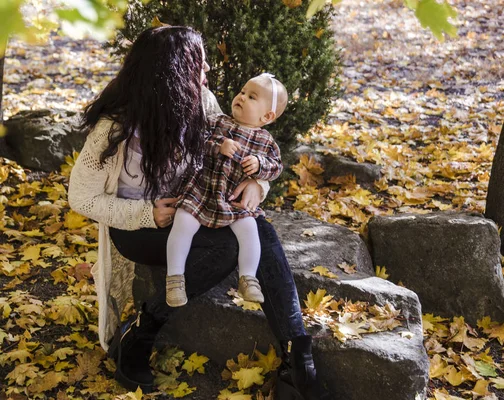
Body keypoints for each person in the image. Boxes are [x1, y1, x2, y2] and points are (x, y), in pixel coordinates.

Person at [68, 26, 328, 399]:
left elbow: (238, 148)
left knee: (258, 229)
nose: (206, 71)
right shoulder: (116, 127)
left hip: (200, 209)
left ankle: (298, 359)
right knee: (228, 248)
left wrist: (258, 185)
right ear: (174, 70)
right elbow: (81, 197)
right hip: (140, 229)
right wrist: (145, 213)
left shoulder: (199, 101)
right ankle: (141, 333)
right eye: (199, 64)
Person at [166, 73, 287, 307]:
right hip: (202, 190)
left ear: (267, 116)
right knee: (183, 222)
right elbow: (196, 143)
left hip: (232, 199)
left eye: (251, 97)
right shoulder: (218, 122)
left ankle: (248, 277)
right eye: (242, 92)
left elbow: (276, 167)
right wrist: (218, 146)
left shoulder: (266, 141)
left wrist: (260, 166)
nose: (241, 97)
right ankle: (174, 279)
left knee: (250, 230)